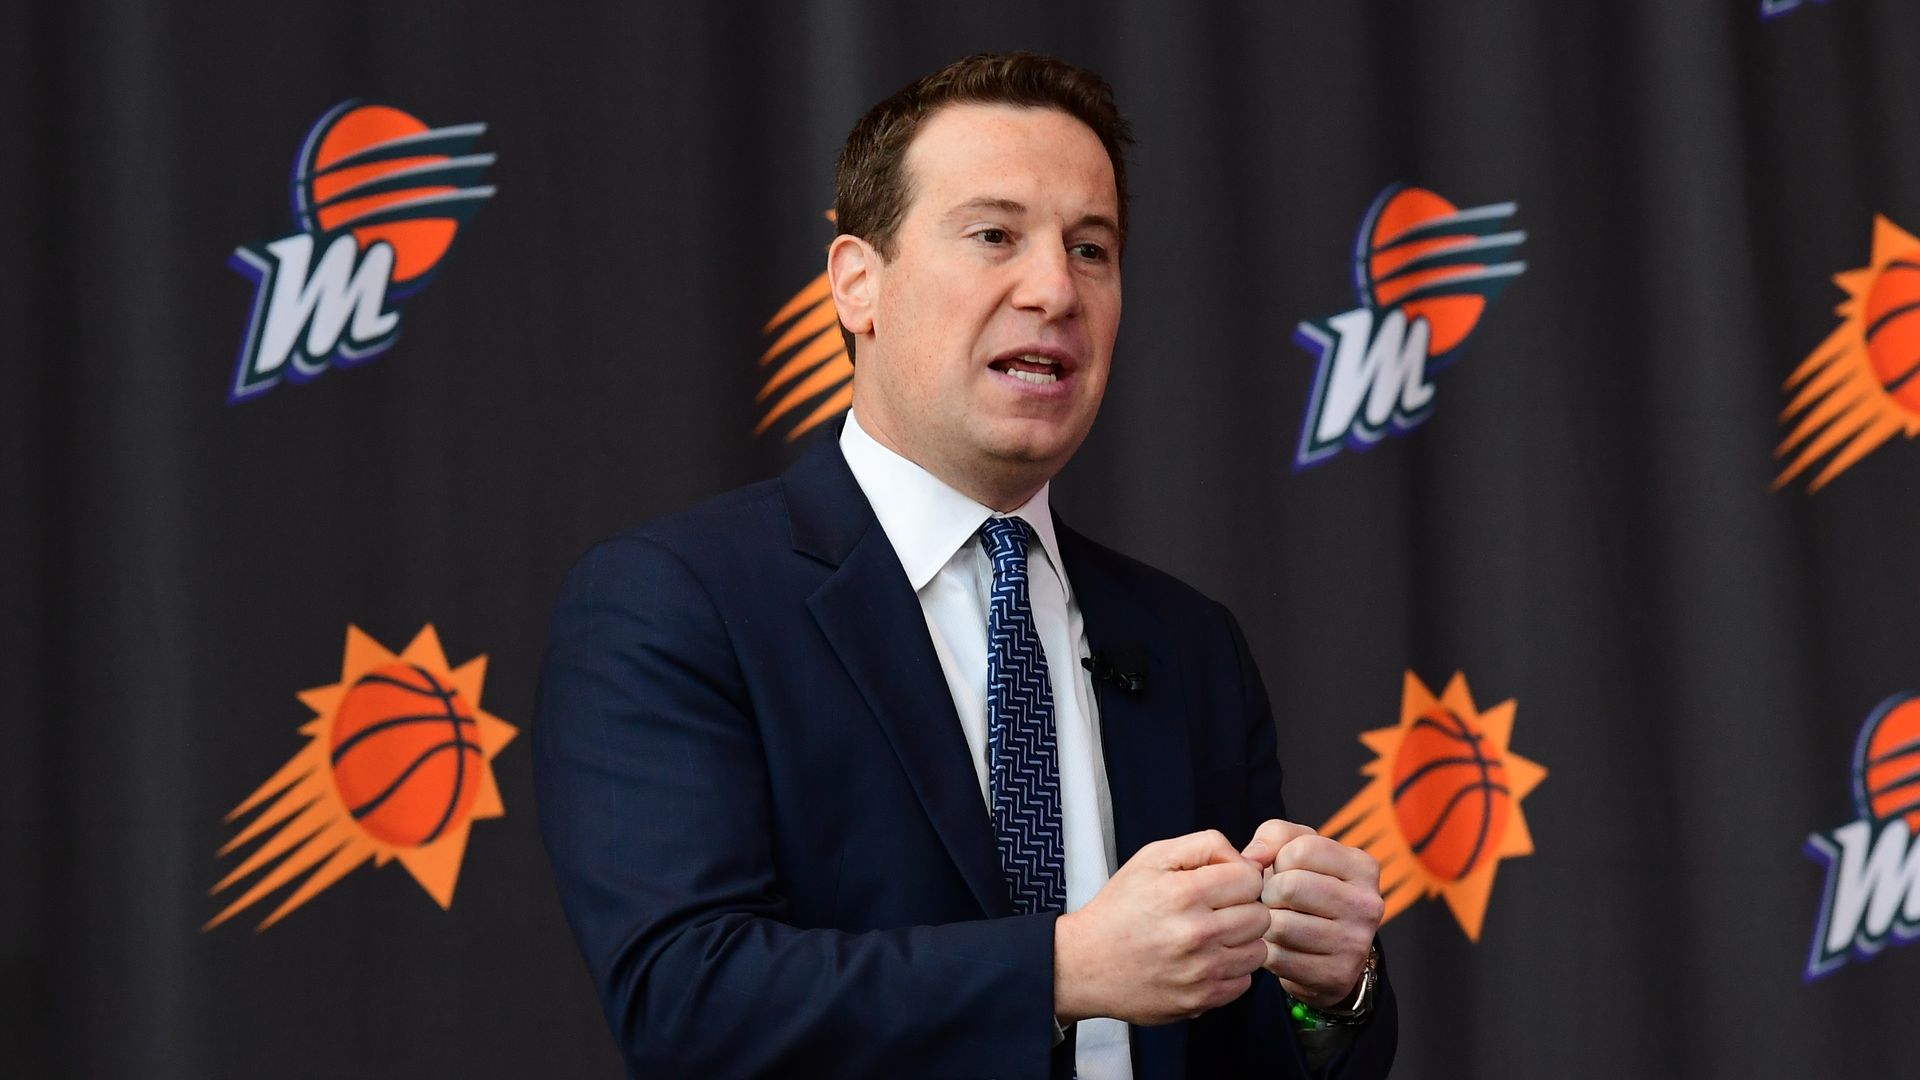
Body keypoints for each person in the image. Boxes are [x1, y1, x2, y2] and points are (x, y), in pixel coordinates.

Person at [533, 52, 1397, 1079]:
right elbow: (686, 1000)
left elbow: (1247, 1045)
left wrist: (1329, 994)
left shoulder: (1187, 643)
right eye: (995, 236)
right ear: (858, 284)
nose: (1056, 289)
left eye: (1091, 249)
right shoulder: (677, 603)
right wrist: (1061, 969)